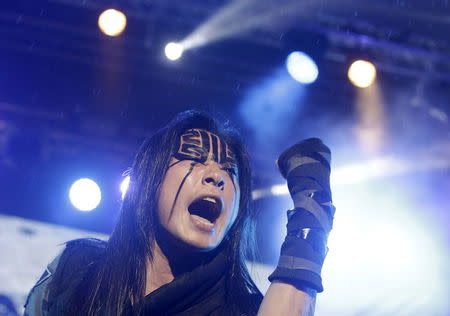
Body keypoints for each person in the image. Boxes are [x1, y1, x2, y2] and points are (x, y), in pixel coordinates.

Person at [24, 110, 335, 315]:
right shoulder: (77, 270)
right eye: (195, 159)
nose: (217, 176)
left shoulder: (240, 308)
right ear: (151, 180)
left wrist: (312, 216)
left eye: (230, 171)